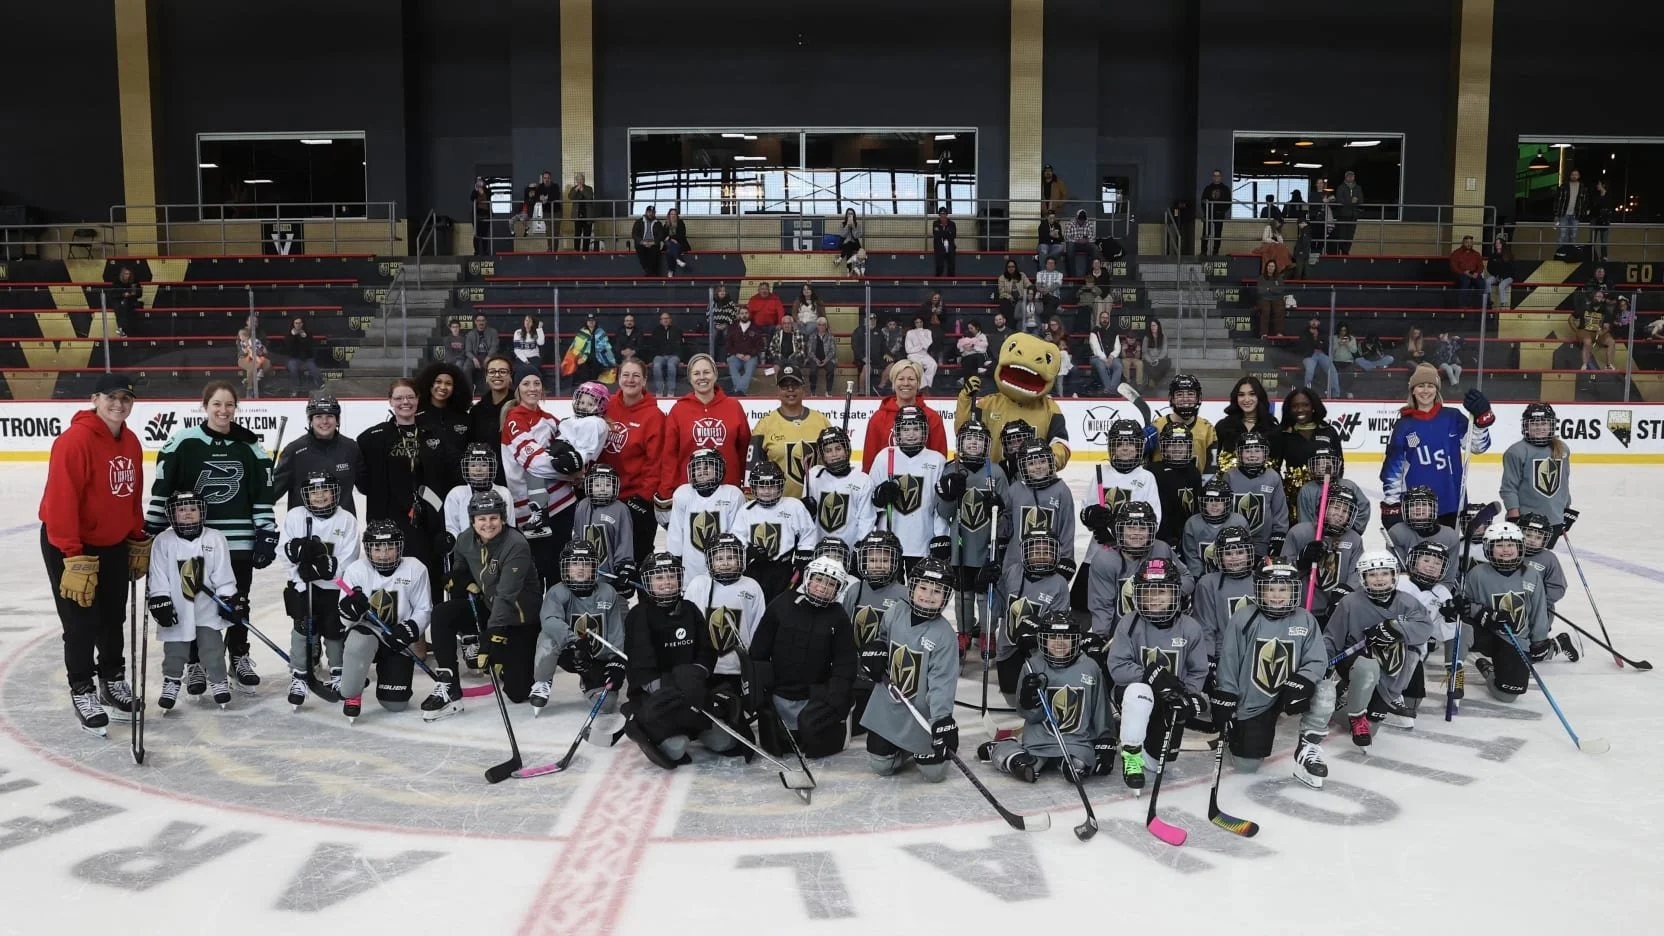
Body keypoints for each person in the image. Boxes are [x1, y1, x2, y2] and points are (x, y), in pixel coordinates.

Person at [145, 381, 275, 697]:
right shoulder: (183, 442)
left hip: (238, 540)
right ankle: (195, 663)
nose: (223, 410)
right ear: (205, 406)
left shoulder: (250, 447)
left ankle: (238, 656)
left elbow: (261, 493)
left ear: (236, 408)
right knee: (191, 601)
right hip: (191, 539)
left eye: (229, 404)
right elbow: (164, 488)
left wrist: (266, 532)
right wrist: (150, 530)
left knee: (236, 601)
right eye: (216, 404)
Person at [40, 373, 147, 733]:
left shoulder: (130, 441)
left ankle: (112, 679)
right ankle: (82, 688)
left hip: (114, 542)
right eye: (111, 398)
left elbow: (132, 493)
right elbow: (61, 502)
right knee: (81, 622)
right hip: (71, 544)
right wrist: (71, 553)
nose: (119, 405)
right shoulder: (75, 441)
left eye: (126, 399)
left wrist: (135, 536)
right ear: (95, 399)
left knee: (112, 616)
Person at [1210, 562, 1335, 789]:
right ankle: (1238, 734)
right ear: (1259, 591)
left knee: (1326, 689)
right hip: (1254, 698)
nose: (1276, 596)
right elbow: (1230, 660)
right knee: (1246, 766)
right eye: (1270, 589)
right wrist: (1226, 694)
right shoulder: (1243, 618)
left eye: (1283, 589)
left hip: (1291, 691)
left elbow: (1318, 659)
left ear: (1294, 591)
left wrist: (1303, 680)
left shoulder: (1305, 619)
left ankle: (1308, 747)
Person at [426, 490, 542, 715]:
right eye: (481, 518)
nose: (488, 524)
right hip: (489, 608)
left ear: (503, 518)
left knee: (517, 693)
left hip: (519, 619)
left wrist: (492, 635)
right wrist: (456, 579)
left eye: (493, 518)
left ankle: (517, 656)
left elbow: (506, 595)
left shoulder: (516, 544)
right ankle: (449, 684)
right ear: (472, 520)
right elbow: (461, 569)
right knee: (442, 614)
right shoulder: (465, 539)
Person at [620, 552, 733, 769]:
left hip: (692, 690)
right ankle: (645, 720)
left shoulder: (690, 609)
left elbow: (706, 650)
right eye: (659, 578)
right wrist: (677, 689)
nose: (666, 583)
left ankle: (692, 722)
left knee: (724, 742)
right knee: (676, 748)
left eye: (671, 576)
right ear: (648, 582)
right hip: (659, 695)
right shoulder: (639, 615)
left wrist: (697, 678)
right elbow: (642, 664)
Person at [1105, 558, 1210, 789]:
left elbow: (1197, 670)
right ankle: (1131, 753)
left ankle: (1140, 746)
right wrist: (1150, 677)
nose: (1154, 598)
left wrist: (1188, 695)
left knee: (1155, 764)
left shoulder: (1190, 627)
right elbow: (1117, 667)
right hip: (1133, 696)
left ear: (1176, 593)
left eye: (1161, 591)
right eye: (1147, 592)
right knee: (1139, 692)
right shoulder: (1128, 623)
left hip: (1169, 702)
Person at [980, 609, 1112, 785]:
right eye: (1053, 637)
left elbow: (1100, 709)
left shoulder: (1090, 667)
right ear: (1042, 639)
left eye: (1066, 637)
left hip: (1077, 742)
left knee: (1080, 767)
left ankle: (1065, 763)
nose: (1059, 643)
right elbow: (1030, 716)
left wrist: (1106, 741)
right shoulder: (1032, 665)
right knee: (1024, 764)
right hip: (1039, 741)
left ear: (1076, 639)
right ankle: (1005, 749)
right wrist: (1028, 699)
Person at [857, 557, 960, 782]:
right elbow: (883, 638)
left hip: (921, 713)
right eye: (923, 588)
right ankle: (901, 750)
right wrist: (877, 649)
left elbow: (942, 682)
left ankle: (913, 746)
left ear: (946, 596)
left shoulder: (944, 634)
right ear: (912, 587)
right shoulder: (896, 612)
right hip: (888, 704)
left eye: (936, 591)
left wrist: (942, 719)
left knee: (934, 774)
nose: (928, 596)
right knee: (880, 766)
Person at [359, 379, 460, 605]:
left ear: (418, 400)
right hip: (390, 519)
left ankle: (425, 635)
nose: (405, 402)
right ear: (390, 401)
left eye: (410, 397)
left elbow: (453, 472)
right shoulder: (372, 438)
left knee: (428, 576)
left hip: (427, 521)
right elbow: (362, 480)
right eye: (399, 398)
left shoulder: (433, 435)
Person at [749, 555, 857, 758]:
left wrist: (835, 700)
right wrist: (760, 689)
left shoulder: (839, 617)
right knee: (774, 744)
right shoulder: (782, 603)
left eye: (831, 584)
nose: (823, 587)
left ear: (839, 589)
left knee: (814, 741)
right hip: (779, 693)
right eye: (819, 580)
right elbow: (759, 651)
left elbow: (845, 663)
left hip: (814, 695)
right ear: (808, 578)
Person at [1323, 551, 1435, 746]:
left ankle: (1344, 708)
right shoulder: (1350, 603)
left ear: (1394, 575)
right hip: (1356, 663)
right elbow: (1332, 638)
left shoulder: (1407, 602)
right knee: (1368, 667)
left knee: (1372, 729)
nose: (1379, 579)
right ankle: (1355, 714)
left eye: (1384, 573)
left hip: (1391, 669)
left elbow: (1425, 629)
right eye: (1372, 574)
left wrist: (1393, 628)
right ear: (1363, 577)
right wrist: (1320, 664)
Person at [147, 490, 242, 712]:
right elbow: (158, 576)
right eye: (181, 510)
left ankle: (219, 681)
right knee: (175, 651)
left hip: (206, 609)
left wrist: (230, 599)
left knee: (213, 649)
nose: (187, 514)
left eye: (192, 509)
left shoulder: (214, 537)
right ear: (172, 514)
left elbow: (223, 575)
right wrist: (160, 600)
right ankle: (171, 682)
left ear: (202, 512)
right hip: (178, 610)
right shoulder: (164, 541)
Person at [331, 521, 429, 722]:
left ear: (399, 547)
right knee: (357, 646)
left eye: (390, 547)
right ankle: (354, 689)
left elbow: (424, 609)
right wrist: (351, 610)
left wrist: (409, 629)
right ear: (368, 549)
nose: (384, 554)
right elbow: (344, 619)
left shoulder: (415, 568)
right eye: (377, 548)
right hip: (368, 632)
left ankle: (387, 675)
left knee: (395, 704)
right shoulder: (356, 570)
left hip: (397, 636)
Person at [276, 471, 358, 709]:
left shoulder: (347, 520)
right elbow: (284, 553)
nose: (320, 496)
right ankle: (300, 674)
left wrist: (328, 569)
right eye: (314, 491)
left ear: (335, 493)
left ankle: (338, 673)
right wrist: (300, 579)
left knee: (335, 627)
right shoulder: (295, 516)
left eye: (325, 490)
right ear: (306, 495)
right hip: (305, 586)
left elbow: (349, 559)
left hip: (334, 588)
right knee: (303, 627)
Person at [1380, 364, 1493, 528]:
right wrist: (1392, 503)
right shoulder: (1403, 425)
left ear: (1437, 390)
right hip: (1417, 506)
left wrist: (1481, 422)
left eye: (1430, 386)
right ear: (1412, 390)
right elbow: (1393, 469)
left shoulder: (1452, 417)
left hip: (1450, 500)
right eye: (1420, 386)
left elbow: (1477, 447)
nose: (1425, 391)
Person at [1456, 522, 1555, 704]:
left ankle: (1488, 670)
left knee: (1508, 694)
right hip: (1485, 633)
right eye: (1499, 545)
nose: (1506, 550)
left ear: (1520, 547)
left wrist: (1539, 640)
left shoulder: (1531, 575)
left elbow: (1539, 611)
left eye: (1511, 545)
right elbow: (1463, 606)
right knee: (1461, 629)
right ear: (1488, 548)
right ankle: (1455, 672)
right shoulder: (1477, 574)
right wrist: (1483, 613)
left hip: (1515, 639)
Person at [529, 541, 627, 714]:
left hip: (594, 657)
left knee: (607, 705)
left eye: (586, 563)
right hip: (568, 651)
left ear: (595, 566)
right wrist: (574, 642)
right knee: (548, 636)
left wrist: (616, 661)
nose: (580, 568)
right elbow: (550, 620)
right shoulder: (556, 592)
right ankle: (542, 680)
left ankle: (587, 682)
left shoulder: (608, 592)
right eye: (574, 563)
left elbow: (615, 630)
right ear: (565, 567)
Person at [654, 353, 751, 519]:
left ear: (715, 374)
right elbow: (669, 455)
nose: (702, 377)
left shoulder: (733, 407)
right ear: (690, 378)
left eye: (706, 372)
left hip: (728, 493)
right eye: (696, 373)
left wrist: (746, 487)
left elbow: (744, 451)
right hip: (691, 492)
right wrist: (667, 490)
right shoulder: (679, 410)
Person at [990, 527, 1072, 710]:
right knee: (1012, 699)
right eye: (1035, 551)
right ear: (1025, 552)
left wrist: (1037, 635)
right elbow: (997, 608)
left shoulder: (1059, 583)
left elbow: (1059, 624)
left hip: (1040, 651)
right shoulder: (1012, 573)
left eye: (1046, 551)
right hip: (1008, 648)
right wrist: (987, 585)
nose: (1041, 556)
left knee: (1035, 695)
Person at [600, 358, 666, 568]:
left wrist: (644, 498)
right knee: (604, 557)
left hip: (636, 500)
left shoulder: (654, 415)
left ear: (644, 381)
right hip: (604, 497)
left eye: (636, 375)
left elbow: (655, 461)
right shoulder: (605, 407)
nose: (630, 380)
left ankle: (644, 599)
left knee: (639, 558)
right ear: (618, 378)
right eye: (626, 375)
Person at [868, 406, 950, 566]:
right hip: (889, 542)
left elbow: (939, 506)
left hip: (923, 542)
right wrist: (880, 497)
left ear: (924, 431)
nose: (911, 434)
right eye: (905, 429)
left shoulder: (937, 460)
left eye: (916, 428)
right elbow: (870, 501)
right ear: (897, 431)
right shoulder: (884, 457)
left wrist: (940, 537)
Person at [1278, 484, 1365, 621]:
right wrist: (1301, 562)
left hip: (1336, 610)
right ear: (1323, 507)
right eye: (1336, 508)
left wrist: (1344, 593)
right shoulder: (1300, 532)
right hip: (1300, 610)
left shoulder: (1354, 539)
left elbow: (1356, 573)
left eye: (1345, 511)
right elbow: (1281, 571)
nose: (1340, 514)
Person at [736, 460, 819, 603]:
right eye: (762, 487)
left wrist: (803, 556)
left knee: (781, 606)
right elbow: (738, 539)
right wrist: (747, 550)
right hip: (754, 569)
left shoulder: (793, 506)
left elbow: (808, 534)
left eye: (772, 486)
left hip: (783, 569)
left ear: (780, 485)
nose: (767, 491)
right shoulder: (746, 510)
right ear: (754, 487)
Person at [273, 395, 364, 516]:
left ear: (337, 419)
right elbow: (272, 493)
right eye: (318, 416)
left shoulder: (351, 448)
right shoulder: (294, 451)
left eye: (330, 416)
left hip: (342, 528)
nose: (324, 422)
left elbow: (367, 486)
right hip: (304, 529)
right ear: (310, 420)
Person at [750, 364, 830, 500]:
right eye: (785, 386)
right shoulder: (764, 425)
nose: (790, 389)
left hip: (818, 505)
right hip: (777, 507)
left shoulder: (821, 421)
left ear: (803, 389)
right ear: (778, 391)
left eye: (795, 385)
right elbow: (753, 469)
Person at [1003, 440, 1080, 578]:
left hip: (1048, 562)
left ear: (1051, 462)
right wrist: (996, 516)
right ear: (1023, 466)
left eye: (1042, 461)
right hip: (1016, 565)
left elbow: (1067, 529)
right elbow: (1006, 528)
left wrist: (1066, 559)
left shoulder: (1061, 490)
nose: (1038, 467)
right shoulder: (1015, 489)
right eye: (1031, 463)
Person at [863, 359, 948, 471]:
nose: (906, 383)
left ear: (918, 383)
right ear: (893, 382)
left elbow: (939, 458)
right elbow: (870, 459)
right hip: (887, 484)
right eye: (901, 379)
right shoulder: (879, 418)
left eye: (911, 379)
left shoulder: (931, 417)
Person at [1501, 403, 1573, 531]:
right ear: (1526, 426)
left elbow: (1563, 483)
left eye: (1544, 423)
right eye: (1534, 424)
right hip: (1526, 519)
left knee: (1547, 552)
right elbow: (1509, 488)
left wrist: (1566, 508)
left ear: (1551, 425)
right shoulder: (1516, 452)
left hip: (1555, 517)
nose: (1539, 427)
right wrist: (1513, 515)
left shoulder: (1562, 449)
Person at [805, 426, 876, 553]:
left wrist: (858, 551)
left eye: (838, 449)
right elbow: (806, 521)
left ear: (847, 449)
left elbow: (866, 521)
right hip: (819, 552)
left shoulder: (862, 480)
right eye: (828, 450)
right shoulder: (813, 476)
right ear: (822, 455)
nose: (834, 455)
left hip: (850, 552)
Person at [1190, 524, 1257, 655]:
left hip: (1257, 652)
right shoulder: (1207, 583)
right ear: (1219, 556)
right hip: (1224, 654)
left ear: (1249, 553)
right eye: (1228, 553)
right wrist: (1209, 658)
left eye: (1240, 552)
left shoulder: (1262, 580)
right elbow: (1205, 627)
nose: (1234, 557)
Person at [1222, 432, 1287, 559]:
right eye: (1247, 451)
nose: (1252, 455)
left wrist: (1278, 537)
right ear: (1239, 453)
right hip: (1234, 543)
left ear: (1265, 454)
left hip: (1263, 543)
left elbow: (1279, 511)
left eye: (1257, 450)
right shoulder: (1229, 476)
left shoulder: (1273, 477)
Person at [1295, 438, 1369, 533]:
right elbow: (1305, 519)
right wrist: (1310, 536)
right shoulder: (1307, 490)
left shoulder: (1349, 485)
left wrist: (1354, 529)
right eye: (1318, 463)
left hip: (1344, 535)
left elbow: (1363, 507)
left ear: (1336, 465)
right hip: (1317, 538)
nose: (1322, 466)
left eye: (1327, 463)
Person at [1181, 477, 1248, 578]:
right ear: (1202, 502)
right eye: (1209, 501)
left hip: (1233, 576)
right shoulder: (1192, 523)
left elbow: (1245, 553)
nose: (1214, 505)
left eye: (1219, 500)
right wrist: (1199, 577)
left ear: (1227, 502)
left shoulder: (1239, 522)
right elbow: (1191, 555)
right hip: (1202, 578)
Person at [1151, 423, 1202, 546]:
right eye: (1172, 444)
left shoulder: (1193, 471)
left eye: (1182, 444)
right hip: (1161, 535)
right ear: (1164, 447)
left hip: (1187, 534)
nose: (1177, 448)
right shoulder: (1153, 470)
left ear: (1189, 447)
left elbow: (1196, 507)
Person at [1214, 376, 1279, 469]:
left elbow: (1276, 465)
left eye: (1252, 394)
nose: (1246, 399)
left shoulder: (1272, 428)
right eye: (1241, 395)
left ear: (1259, 396)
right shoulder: (1224, 426)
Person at [1517, 514, 1571, 626]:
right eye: (1528, 535)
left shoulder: (1549, 558)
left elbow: (1558, 587)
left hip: (1538, 610)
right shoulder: (1508, 553)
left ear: (1545, 539)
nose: (1532, 540)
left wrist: (1539, 603)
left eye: (1538, 537)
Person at [415, 361, 473, 458]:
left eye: (448, 383)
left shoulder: (465, 419)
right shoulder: (416, 418)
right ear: (429, 384)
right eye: (438, 382)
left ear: (455, 387)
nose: (443, 387)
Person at [467, 355, 518, 458]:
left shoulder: (519, 407)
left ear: (510, 376)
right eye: (492, 372)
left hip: (513, 472)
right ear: (486, 377)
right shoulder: (476, 411)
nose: (497, 375)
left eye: (503, 371)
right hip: (485, 472)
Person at [565, 313, 616, 387]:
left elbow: (606, 347)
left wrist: (611, 360)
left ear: (595, 321)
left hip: (598, 359)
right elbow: (575, 346)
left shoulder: (601, 332)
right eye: (589, 321)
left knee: (598, 375)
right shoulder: (582, 332)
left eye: (592, 320)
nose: (591, 322)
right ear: (586, 322)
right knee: (582, 372)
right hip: (584, 359)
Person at [723, 307, 766, 395]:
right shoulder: (733, 327)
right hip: (736, 356)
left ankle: (738, 391)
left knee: (749, 370)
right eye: (742, 313)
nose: (744, 315)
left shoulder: (755, 327)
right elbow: (728, 344)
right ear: (739, 315)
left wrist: (750, 354)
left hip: (751, 357)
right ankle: (740, 391)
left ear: (749, 314)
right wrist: (736, 353)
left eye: (746, 313)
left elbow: (760, 345)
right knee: (731, 361)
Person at [645, 309, 685, 398]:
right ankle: (659, 390)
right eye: (663, 318)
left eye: (667, 318)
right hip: (660, 356)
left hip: (674, 356)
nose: (665, 320)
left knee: (671, 365)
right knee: (656, 365)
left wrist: (681, 359)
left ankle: (671, 391)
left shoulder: (677, 330)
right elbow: (652, 347)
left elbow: (681, 346)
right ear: (660, 321)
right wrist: (651, 359)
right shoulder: (656, 331)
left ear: (670, 320)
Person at [279, 317, 322, 393]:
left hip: (306, 358)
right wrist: (292, 336)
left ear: (302, 324)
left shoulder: (308, 333)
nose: (298, 325)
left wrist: (305, 338)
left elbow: (311, 347)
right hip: (293, 358)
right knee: (293, 368)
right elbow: (287, 348)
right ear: (293, 324)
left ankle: (320, 384)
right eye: (296, 323)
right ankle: (295, 388)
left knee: (314, 368)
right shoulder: (288, 334)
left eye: (299, 323)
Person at [1086, 309, 1122, 395]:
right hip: (1097, 357)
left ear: (1109, 319)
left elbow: (1117, 347)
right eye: (1103, 318)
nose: (1104, 319)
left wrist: (1111, 357)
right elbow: (1096, 349)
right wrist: (1105, 359)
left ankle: (1110, 389)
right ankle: (1111, 390)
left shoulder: (1114, 331)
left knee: (1119, 366)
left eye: (1106, 318)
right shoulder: (1094, 331)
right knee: (1101, 366)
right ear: (1099, 319)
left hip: (1111, 357)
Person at [465, 314, 501, 393]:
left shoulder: (493, 332)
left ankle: (489, 392)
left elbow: (494, 347)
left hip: (489, 356)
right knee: (466, 368)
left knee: (492, 367)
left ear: (486, 321)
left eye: (483, 320)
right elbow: (468, 351)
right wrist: (474, 359)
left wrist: (488, 357)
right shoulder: (470, 334)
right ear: (475, 322)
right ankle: (469, 391)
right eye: (479, 321)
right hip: (475, 357)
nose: (481, 323)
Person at [1554, 168, 1587, 253]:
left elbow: (1584, 202)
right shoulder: (1564, 186)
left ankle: (1571, 254)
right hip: (1564, 214)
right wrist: (1556, 215)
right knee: (1562, 235)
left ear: (1579, 176)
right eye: (1573, 174)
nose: (1574, 176)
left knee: (1573, 236)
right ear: (1570, 175)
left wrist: (1582, 213)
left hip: (1575, 214)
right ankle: (1560, 254)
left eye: (1576, 174)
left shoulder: (1582, 187)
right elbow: (1558, 200)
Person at [1332, 169, 1363, 255]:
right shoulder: (1341, 187)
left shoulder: (1358, 187)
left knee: (1350, 236)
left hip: (1353, 215)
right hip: (1343, 215)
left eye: (1352, 176)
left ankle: (1346, 252)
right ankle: (1341, 250)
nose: (1350, 177)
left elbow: (1361, 200)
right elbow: (1339, 200)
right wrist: (1351, 201)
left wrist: (1356, 200)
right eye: (1349, 176)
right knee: (1342, 235)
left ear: (1354, 177)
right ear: (1345, 177)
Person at [1200, 168, 1230, 256]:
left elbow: (1228, 202)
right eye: (1214, 176)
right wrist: (1206, 212)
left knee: (1218, 234)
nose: (1216, 177)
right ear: (1212, 177)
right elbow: (1203, 201)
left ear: (1221, 177)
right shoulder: (1208, 188)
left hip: (1219, 215)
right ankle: (1203, 251)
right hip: (1209, 215)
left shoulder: (1225, 189)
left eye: (1218, 176)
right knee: (1205, 233)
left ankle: (1215, 251)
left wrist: (1221, 211)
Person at [746, 281, 785, 348]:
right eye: (762, 289)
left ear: (769, 290)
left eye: (766, 289)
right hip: (756, 326)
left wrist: (780, 324)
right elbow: (749, 313)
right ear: (758, 290)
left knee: (777, 331)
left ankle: (770, 351)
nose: (764, 291)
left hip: (771, 326)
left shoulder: (775, 299)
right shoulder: (753, 299)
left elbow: (780, 312)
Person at [904, 316, 938, 390]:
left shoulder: (927, 332)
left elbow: (927, 345)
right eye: (917, 322)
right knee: (918, 365)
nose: (919, 324)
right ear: (914, 323)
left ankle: (928, 385)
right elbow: (908, 349)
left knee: (933, 364)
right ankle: (923, 387)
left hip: (924, 354)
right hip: (913, 355)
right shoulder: (910, 332)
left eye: (920, 322)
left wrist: (921, 333)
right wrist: (919, 347)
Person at [1450, 235, 1485, 307]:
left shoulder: (1476, 254)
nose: (1469, 244)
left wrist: (1477, 273)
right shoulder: (1456, 253)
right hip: (1460, 273)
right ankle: (1462, 306)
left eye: (1470, 243)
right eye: (1467, 242)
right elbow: (1454, 267)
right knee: (1465, 280)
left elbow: (1481, 266)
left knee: (1481, 282)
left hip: (1473, 273)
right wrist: (1463, 272)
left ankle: (1480, 305)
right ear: (1463, 243)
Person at [1255, 259, 1287, 338]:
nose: (1270, 268)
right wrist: (1272, 289)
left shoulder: (1278, 277)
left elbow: (1281, 289)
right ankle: (1264, 333)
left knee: (1279, 310)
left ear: (1275, 268)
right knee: (1265, 310)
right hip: (1265, 298)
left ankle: (1279, 332)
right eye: (1269, 266)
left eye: (1272, 266)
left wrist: (1269, 289)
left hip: (1277, 298)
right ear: (1266, 267)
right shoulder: (1261, 277)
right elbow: (1260, 290)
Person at [511, 314, 545, 386]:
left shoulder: (536, 332)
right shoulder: (518, 332)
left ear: (533, 323)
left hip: (534, 357)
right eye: (526, 320)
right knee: (520, 370)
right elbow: (517, 350)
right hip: (521, 358)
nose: (527, 322)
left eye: (530, 321)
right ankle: (518, 389)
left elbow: (541, 343)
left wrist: (539, 329)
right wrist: (525, 360)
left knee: (533, 370)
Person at [110, 265, 143, 337]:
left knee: (128, 307)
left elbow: (139, 293)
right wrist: (123, 294)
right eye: (125, 274)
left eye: (128, 274)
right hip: (119, 301)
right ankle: (121, 329)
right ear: (122, 274)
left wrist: (132, 294)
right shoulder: (117, 282)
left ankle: (127, 330)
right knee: (120, 307)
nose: (127, 276)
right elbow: (113, 293)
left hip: (130, 300)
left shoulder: (134, 281)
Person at [235, 328, 269, 398]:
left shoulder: (254, 341)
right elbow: (244, 352)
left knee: (257, 360)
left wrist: (256, 351)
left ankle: (251, 384)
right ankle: (250, 387)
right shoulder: (242, 342)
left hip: (258, 354)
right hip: (248, 357)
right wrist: (247, 349)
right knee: (251, 360)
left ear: (245, 336)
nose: (239, 337)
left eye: (240, 336)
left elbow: (262, 349)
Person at [566, 172, 596, 251]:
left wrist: (582, 189)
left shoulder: (589, 188)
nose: (580, 181)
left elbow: (590, 197)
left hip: (587, 215)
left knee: (587, 234)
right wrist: (576, 189)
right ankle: (576, 250)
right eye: (578, 179)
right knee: (577, 234)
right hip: (578, 215)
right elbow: (570, 197)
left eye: (581, 179)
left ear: (584, 180)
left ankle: (585, 251)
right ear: (576, 180)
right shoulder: (574, 188)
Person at [1064, 209, 1097, 278]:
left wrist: (1086, 240)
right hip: (1075, 244)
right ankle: (1072, 276)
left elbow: (1093, 238)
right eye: (1080, 220)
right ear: (1076, 218)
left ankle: (1089, 274)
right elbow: (1067, 237)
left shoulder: (1089, 224)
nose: (1081, 221)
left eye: (1083, 220)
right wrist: (1077, 240)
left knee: (1094, 248)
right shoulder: (1070, 223)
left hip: (1085, 244)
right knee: (1070, 247)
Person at [631, 205, 663, 275]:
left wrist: (653, 243)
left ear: (655, 213)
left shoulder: (658, 223)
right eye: (649, 212)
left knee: (654, 251)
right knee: (640, 249)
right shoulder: (639, 222)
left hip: (653, 244)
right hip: (642, 243)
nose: (651, 213)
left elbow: (660, 236)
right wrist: (643, 242)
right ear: (646, 212)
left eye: (652, 212)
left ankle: (651, 272)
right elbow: (634, 234)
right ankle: (648, 270)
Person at [956, 320, 990, 385]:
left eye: (971, 328)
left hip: (977, 358)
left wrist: (973, 347)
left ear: (977, 328)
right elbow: (961, 348)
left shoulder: (982, 336)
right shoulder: (966, 337)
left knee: (976, 358)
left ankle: (967, 380)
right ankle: (967, 381)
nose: (970, 330)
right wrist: (965, 347)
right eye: (969, 328)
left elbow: (983, 350)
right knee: (967, 360)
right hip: (966, 357)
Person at [1589, 179, 1614, 262]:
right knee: (1592, 240)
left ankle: (1604, 257)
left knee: (1604, 240)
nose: (1597, 185)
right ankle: (1592, 257)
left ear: (1603, 185)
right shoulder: (1595, 195)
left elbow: (1609, 208)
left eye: (1599, 184)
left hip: (1604, 220)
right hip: (1594, 219)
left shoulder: (1609, 196)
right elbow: (1592, 207)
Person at [1142, 318, 1171, 390]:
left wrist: (1157, 359)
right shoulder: (1146, 337)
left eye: (1154, 326)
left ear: (1158, 327)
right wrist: (1151, 360)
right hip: (1150, 359)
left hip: (1160, 358)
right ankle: (1155, 381)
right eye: (1151, 326)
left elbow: (1164, 351)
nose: (1153, 328)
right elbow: (1144, 352)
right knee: (1147, 365)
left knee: (1167, 363)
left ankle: (1153, 381)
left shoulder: (1163, 337)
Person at [1486, 237, 1514, 309]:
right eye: (1496, 243)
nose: (1497, 244)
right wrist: (1496, 275)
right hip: (1496, 276)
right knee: (1487, 281)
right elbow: (1489, 268)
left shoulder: (1508, 255)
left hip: (1508, 277)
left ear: (1502, 244)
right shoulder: (1492, 256)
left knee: (1501, 285)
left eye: (1499, 243)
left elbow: (1510, 269)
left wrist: (1502, 277)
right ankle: (1489, 299)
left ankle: (1503, 304)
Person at [443, 320, 473, 386]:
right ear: (450, 328)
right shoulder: (447, 339)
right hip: (450, 359)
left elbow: (464, 351)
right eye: (453, 327)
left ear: (459, 328)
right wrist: (452, 360)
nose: (455, 329)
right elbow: (449, 352)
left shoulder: (464, 338)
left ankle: (457, 385)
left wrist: (457, 359)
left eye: (457, 327)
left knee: (458, 365)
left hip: (460, 359)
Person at [661, 207, 691, 274]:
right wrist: (671, 239)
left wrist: (670, 238)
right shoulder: (666, 225)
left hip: (680, 244)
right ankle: (678, 259)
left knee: (669, 251)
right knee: (670, 244)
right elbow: (662, 236)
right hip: (669, 244)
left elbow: (681, 235)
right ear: (669, 215)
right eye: (672, 214)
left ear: (677, 216)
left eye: (675, 214)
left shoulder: (681, 223)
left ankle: (670, 270)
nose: (673, 216)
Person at [1033, 256, 1063, 321]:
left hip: (1054, 297)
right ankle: (1048, 323)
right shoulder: (1040, 273)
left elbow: (1057, 285)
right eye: (1049, 263)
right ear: (1046, 264)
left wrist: (1046, 290)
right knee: (1049, 303)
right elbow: (1038, 286)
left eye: (1052, 263)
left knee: (1050, 302)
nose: (1050, 265)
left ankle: (1045, 323)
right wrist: (1045, 291)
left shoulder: (1059, 274)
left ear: (1055, 265)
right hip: (1042, 297)